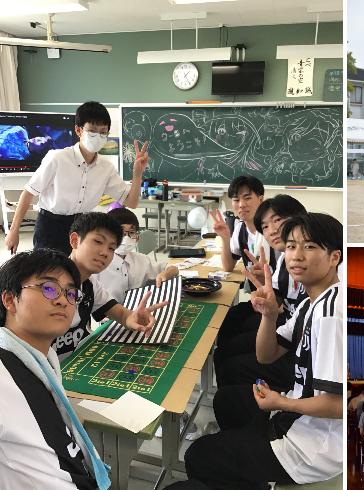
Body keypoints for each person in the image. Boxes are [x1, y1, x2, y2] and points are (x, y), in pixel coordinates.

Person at [181, 212, 344, 489]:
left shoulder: (332, 313)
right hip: (293, 416)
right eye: (291, 246)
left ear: (334, 257)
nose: (296, 255)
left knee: (198, 456)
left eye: (310, 246)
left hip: (313, 447)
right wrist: (269, 316)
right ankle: (249, 465)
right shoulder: (312, 303)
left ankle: (252, 463)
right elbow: (265, 356)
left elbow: (340, 405)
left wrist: (281, 403)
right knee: (227, 399)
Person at [0, 249, 113, 489]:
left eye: (71, 293)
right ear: (9, 299)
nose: (63, 299)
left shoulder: (44, 356)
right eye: (48, 288)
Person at [5, 101, 150, 255]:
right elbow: (28, 193)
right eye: (93, 131)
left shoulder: (106, 168)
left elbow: (131, 202)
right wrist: (14, 231)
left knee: (77, 273)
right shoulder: (57, 159)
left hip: (83, 227)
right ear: (79, 130)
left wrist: (137, 174)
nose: (98, 136)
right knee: (48, 273)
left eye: (103, 132)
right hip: (51, 226)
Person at [212, 194, 308, 394]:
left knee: (229, 363)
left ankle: (245, 403)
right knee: (230, 333)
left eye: (278, 220)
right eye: (264, 226)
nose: (272, 230)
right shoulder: (283, 258)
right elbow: (278, 299)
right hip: (289, 331)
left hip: (300, 351)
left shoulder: (315, 265)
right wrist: (266, 292)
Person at [56, 212, 167, 362]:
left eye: (111, 248)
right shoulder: (50, 283)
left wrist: (132, 317)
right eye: (98, 242)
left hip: (73, 363)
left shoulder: (90, 284)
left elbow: (121, 315)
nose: (104, 253)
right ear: (75, 240)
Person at [94, 207, 179, 303]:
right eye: (121, 232)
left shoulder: (141, 260)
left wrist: (166, 274)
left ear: (137, 238)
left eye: (131, 232)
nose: (127, 237)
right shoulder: (98, 266)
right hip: (108, 316)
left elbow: (173, 269)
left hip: (136, 312)